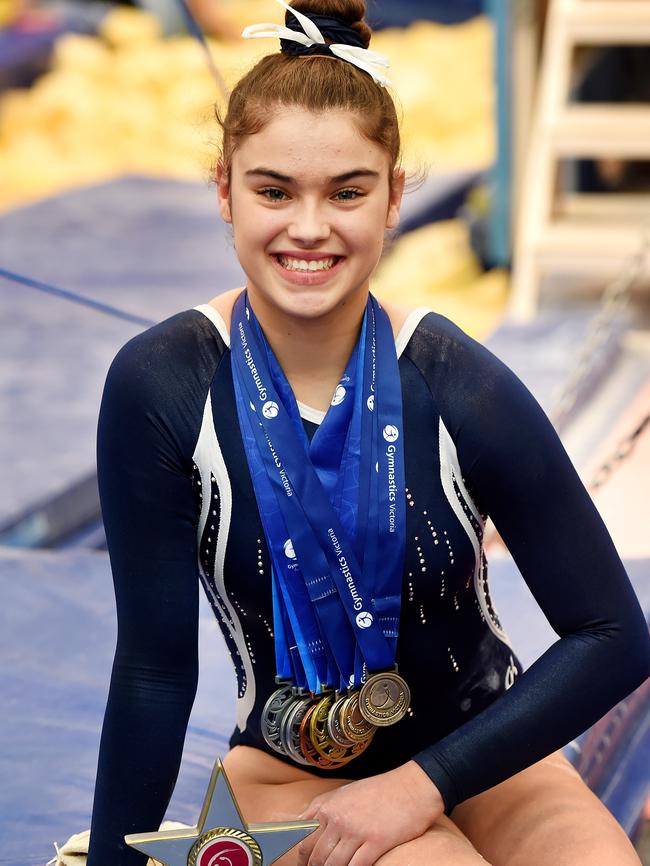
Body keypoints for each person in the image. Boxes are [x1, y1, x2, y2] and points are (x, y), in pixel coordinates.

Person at [86, 1, 650, 864]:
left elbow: (613, 636)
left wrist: (423, 784)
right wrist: (112, 859)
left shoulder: (457, 382)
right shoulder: (163, 385)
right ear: (224, 191)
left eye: (346, 192)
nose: (308, 228)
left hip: (485, 752)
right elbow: (155, 672)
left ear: (392, 198)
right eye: (274, 190)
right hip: (293, 772)